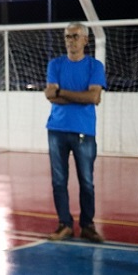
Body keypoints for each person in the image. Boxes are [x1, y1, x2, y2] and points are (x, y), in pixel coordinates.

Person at [44, 22, 106, 243]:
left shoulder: (95, 66)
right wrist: (79, 96)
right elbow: (50, 96)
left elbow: (94, 97)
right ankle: (65, 224)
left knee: (86, 181)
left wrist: (61, 92)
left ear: (85, 40)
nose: (71, 40)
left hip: (84, 131)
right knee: (59, 181)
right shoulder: (55, 64)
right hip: (56, 130)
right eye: (68, 36)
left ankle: (87, 225)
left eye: (75, 36)